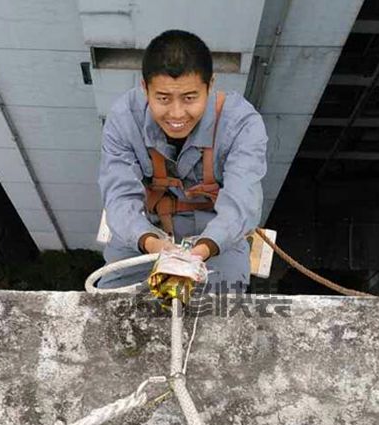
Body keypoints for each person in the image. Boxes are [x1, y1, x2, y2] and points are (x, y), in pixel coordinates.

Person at [97, 29, 268, 292]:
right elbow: (119, 196)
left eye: (190, 98)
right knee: (114, 308)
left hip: (215, 234)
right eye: (163, 98)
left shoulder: (242, 124)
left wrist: (199, 253)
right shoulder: (124, 119)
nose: (176, 114)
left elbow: (242, 201)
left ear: (210, 85)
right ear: (145, 88)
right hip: (146, 229)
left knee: (218, 314)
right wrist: (152, 244)